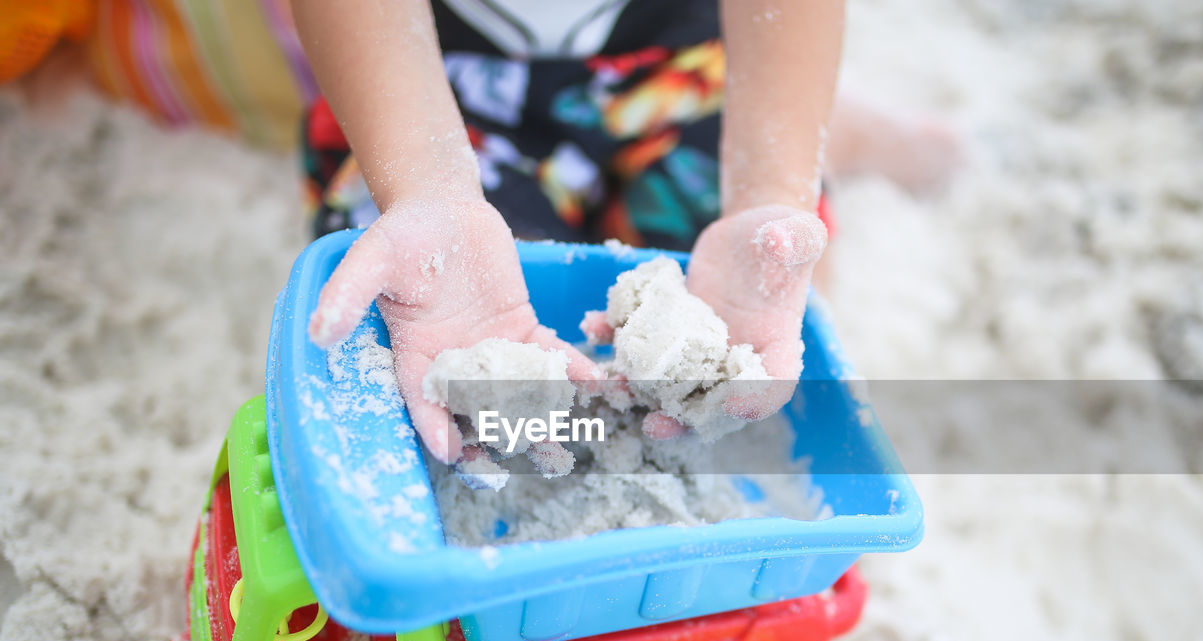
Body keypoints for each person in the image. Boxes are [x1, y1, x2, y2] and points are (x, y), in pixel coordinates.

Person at [6, 0, 957, 462]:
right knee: (436, 323)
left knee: (760, 277)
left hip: (676, 67)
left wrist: (767, 189)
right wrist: (426, 188)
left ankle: (851, 128)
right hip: (444, 90)